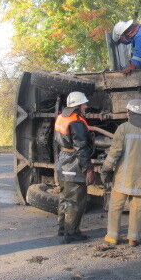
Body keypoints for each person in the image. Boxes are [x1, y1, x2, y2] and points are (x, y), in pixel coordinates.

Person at [100, 99, 141, 246]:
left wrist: (106, 168)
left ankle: (112, 236)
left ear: (129, 113)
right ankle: (133, 238)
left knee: (116, 206)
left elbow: (114, 153)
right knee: (137, 208)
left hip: (122, 177)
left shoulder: (123, 128)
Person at [54, 91, 95, 243]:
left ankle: (63, 228)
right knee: (76, 200)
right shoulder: (76, 121)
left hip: (63, 160)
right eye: (84, 104)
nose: (86, 106)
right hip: (74, 163)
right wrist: (88, 169)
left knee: (65, 197)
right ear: (77, 106)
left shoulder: (61, 117)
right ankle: (71, 232)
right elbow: (81, 148)